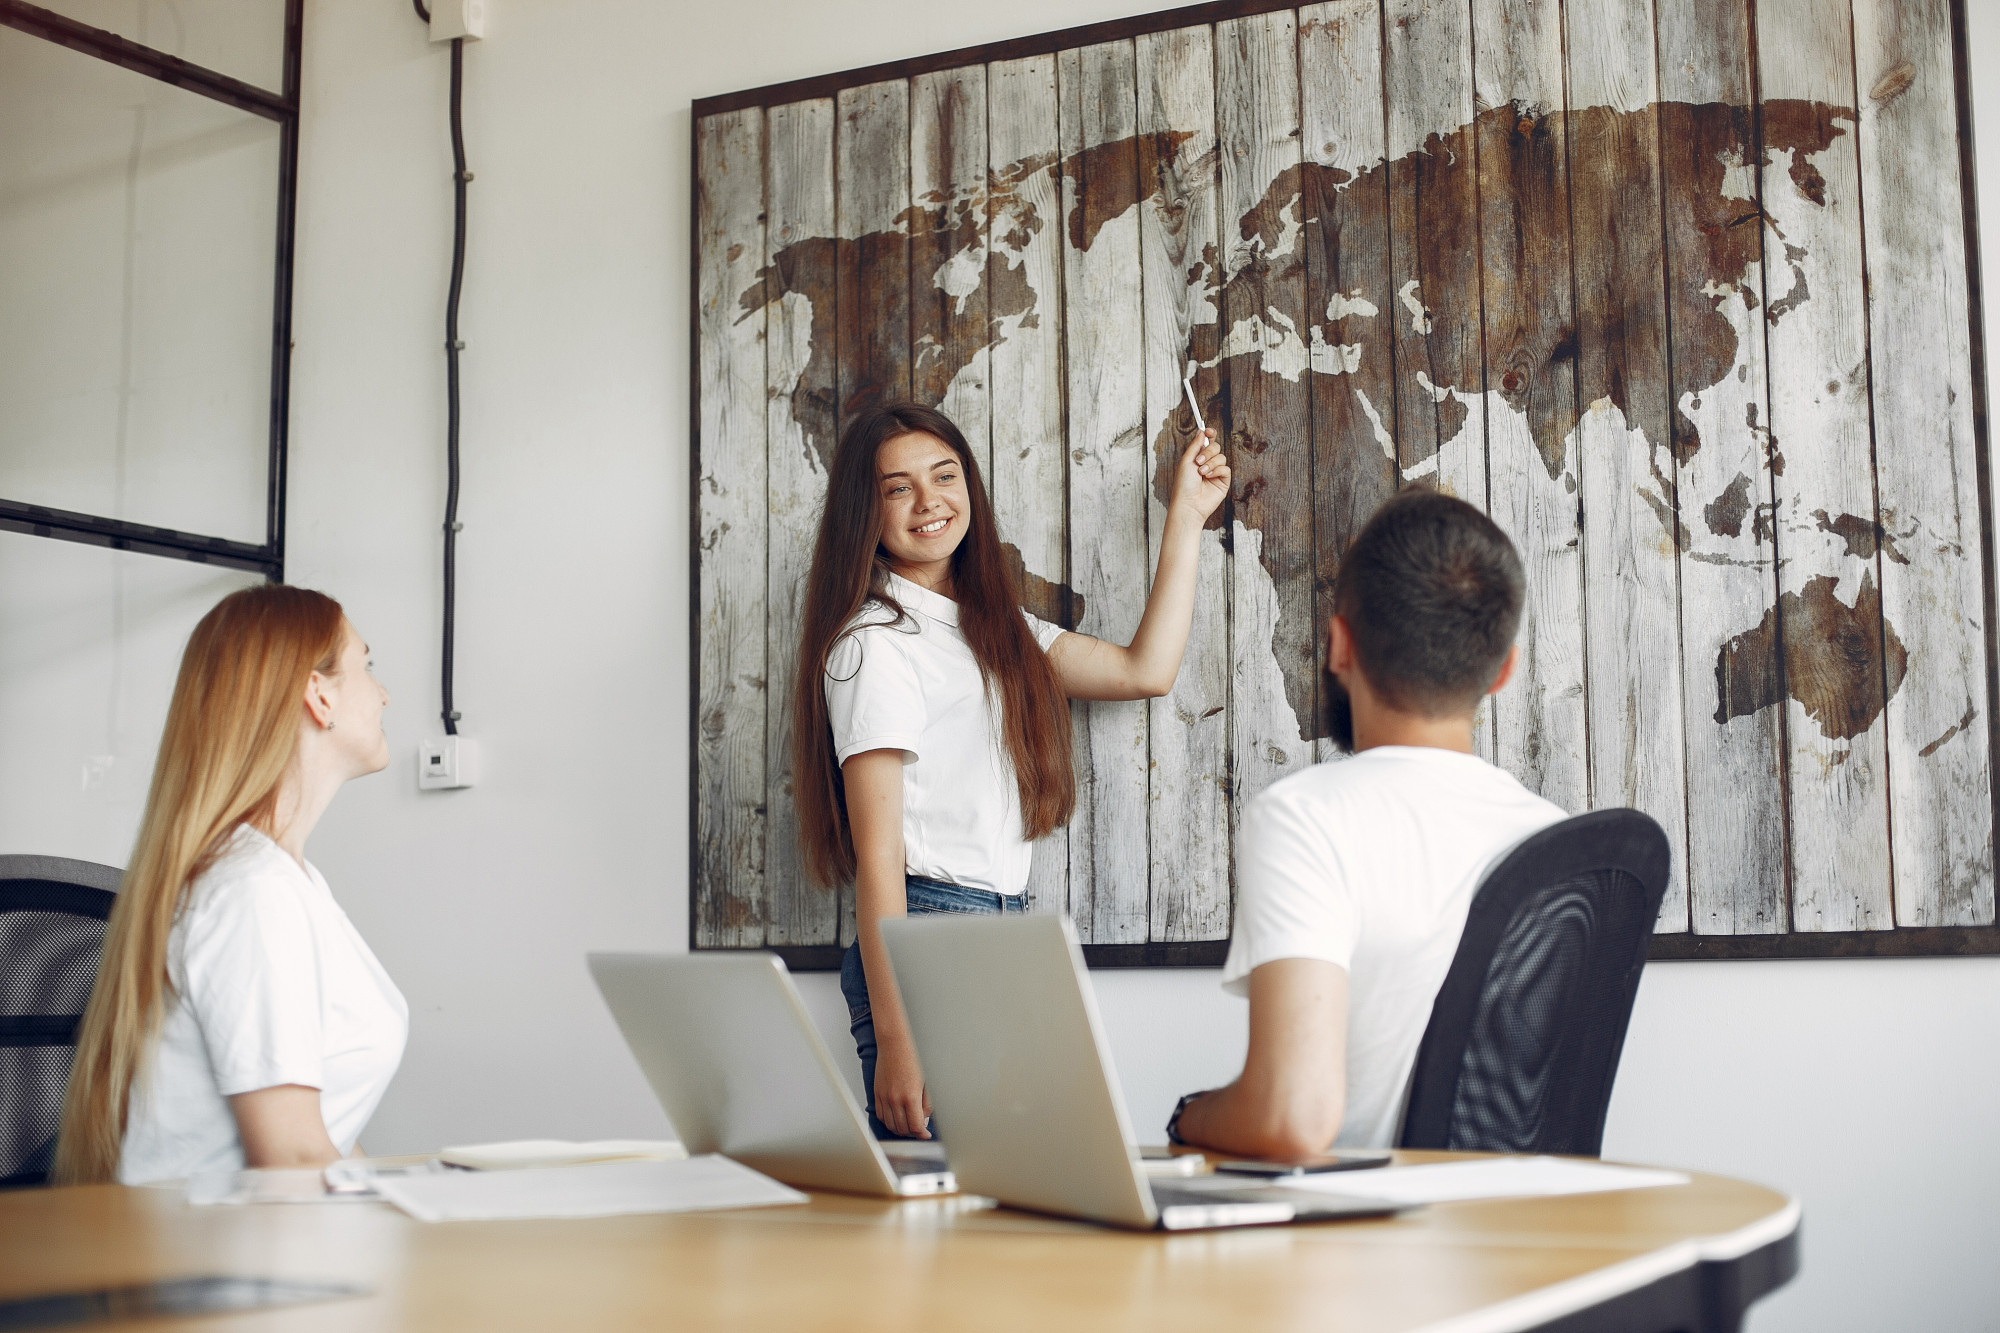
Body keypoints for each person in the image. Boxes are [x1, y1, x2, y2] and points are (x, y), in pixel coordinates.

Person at [793, 403, 1229, 1140]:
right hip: (929, 935)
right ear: (865, 512)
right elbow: (878, 858)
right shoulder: (874, 644)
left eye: (945, 475)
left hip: (1002, 932)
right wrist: (899, 1041)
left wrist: (1186, 514)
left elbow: (1144, 669)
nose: (930, 501)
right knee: (943, 1213)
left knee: (1007, 1200)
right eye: (898, 488)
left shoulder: (994, 626)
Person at [1167, 488, 1566, 1156]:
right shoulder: (1556, 839)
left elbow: (1291, 1119)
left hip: (1363, 1244)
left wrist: (1187, 1118)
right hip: (1521, 1238)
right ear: (1503, 671)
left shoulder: (1307, 819)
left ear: (1339, 646)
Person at [54, 586, 405, 1185]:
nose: (384, 694)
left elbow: (323, 1142)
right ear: (318, 696)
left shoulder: (284, 880)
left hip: (268, 1249)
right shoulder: (251, 892)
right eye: (365, 666)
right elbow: (290, 1159)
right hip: (223, 1265)